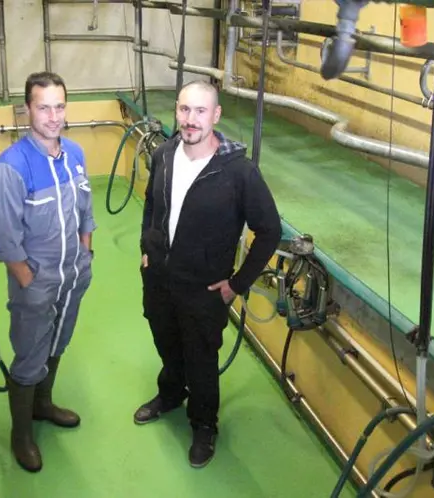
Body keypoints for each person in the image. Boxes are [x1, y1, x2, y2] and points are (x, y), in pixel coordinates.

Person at [135, 80, 281, 468]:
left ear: (216, 116)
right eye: (184, 110)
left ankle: (204, 424)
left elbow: (269, 231)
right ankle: (170, 394)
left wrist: (236, 284)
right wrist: (146, 250)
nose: (190, 119)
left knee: (201, 359)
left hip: (205, 289)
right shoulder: (164, 154)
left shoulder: (239, 173)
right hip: (160, 280)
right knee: (165, 340)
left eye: (200, 111)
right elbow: (152, 205)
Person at [0, 71, 95, 473]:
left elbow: (86, 210)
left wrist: (86, 255)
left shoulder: (76, 155)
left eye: (59, 106)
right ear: (27, 109)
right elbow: (2, 234)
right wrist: (27, 279)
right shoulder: (11, 167)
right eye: (43, 107)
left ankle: (43, 405)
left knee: (59, 340)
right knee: (30, 353)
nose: (53, 116)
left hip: (73, 276)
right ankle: (21, 434)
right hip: (36, 280)